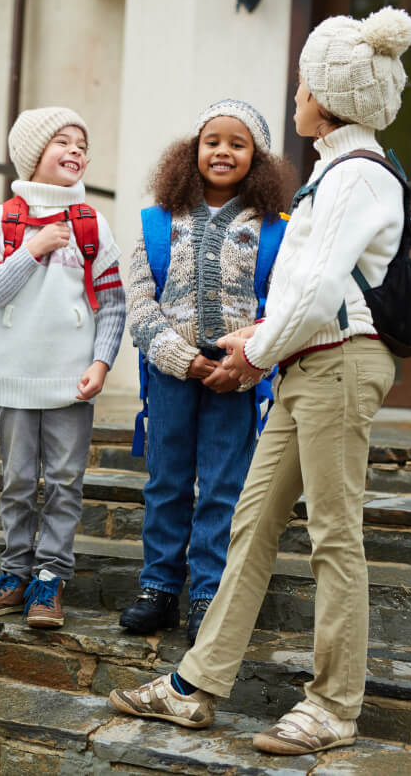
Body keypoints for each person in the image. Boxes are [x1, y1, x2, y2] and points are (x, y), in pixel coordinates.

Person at [109, 6, 411, 756]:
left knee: (334, 537)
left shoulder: (356, 175)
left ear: (329, 97)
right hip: (306, 362)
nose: (297, 98)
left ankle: (333, 707)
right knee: (250, 522)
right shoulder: (331, 172)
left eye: (305, 86)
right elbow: (302, 292)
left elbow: (314, 293)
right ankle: (194, 687)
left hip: (338, 364)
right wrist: (263, 338)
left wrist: (251, 354)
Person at [119, 100, 293, 645]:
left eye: (237, 144)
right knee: (167, 481)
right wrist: (181, 358)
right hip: (172, 375)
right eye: (211, 141)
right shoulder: (155, 222)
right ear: (191, 152)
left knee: (223, 487)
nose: (222, 151)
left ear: (256, 159)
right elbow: (141, 303)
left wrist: (245, 365)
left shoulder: (277, 232)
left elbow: (282, 307)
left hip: (238, 378)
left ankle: (208, 594)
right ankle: (158, 589)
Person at [0, 107, 126, 628]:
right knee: (15, 480)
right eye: (63, 141)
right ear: (33, 154)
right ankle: (14, 573)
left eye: (83, 143)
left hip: (71, 379)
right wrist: (31, 249)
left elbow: (115, 302)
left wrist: (101, 363)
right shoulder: (1, 219)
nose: (76, 150)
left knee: (64, 480)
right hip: (15, 377)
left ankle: (50, 580)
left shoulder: (91, 223)